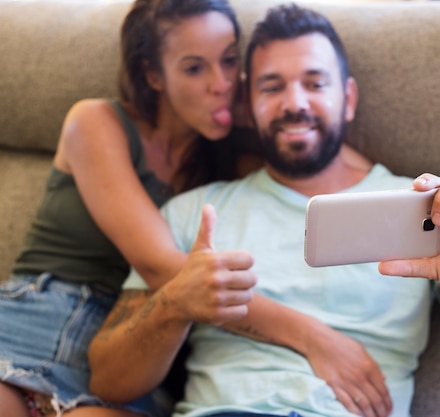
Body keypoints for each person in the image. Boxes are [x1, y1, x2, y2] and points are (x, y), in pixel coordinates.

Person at [88, 4, 440, 417]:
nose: (295, 103)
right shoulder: (195, 213)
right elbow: (107, 379)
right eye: (273, 87)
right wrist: (173, 306)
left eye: (315, 83)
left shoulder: (421, 209)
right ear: (248, 105)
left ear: (347, 98)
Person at [0, 0, 252, 415]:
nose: (221, 83)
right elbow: (160, 268)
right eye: (195, 68)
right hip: (33, 316)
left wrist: (263, 106)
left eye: (229, 61)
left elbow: (323, 164)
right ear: (154, 75)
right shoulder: (95, 122)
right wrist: (314, 337)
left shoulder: (233, 171)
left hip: (128, 352)